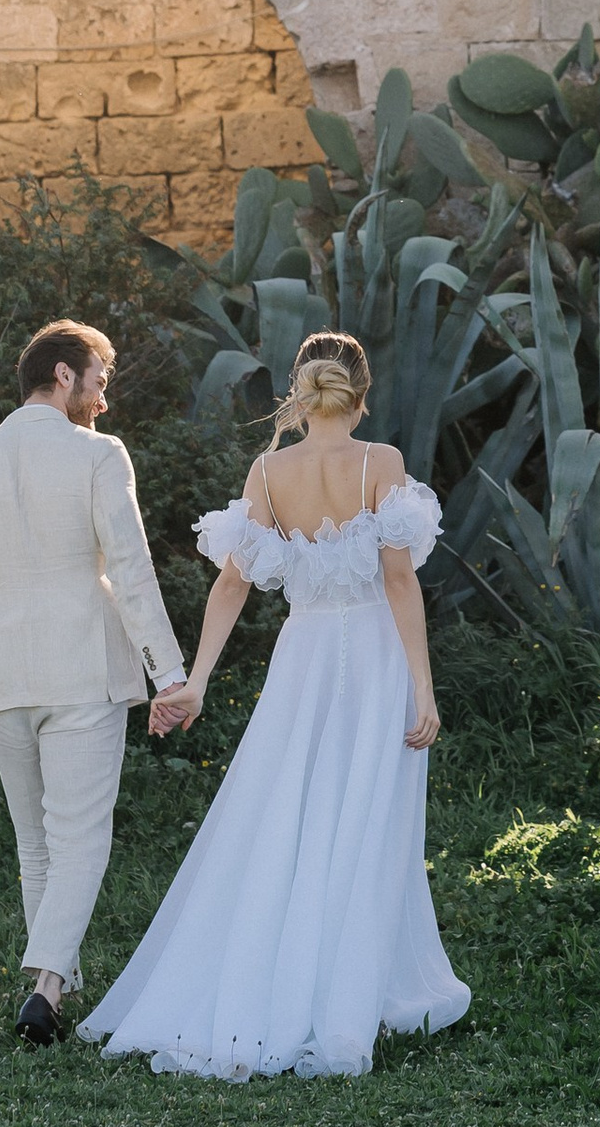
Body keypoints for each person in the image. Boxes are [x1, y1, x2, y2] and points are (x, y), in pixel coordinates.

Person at [77, 329, 471, 1079]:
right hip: (377, 662)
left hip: (304, 662)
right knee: (364, 823)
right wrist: (425, 687)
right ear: (360, 392)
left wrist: (197, 677)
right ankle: (341, 1000)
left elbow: (231, 584)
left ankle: (320, 985)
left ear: (299, 388)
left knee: (288, 816)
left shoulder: (268, 470)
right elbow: (398, 583)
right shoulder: (379, 463)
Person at [0, 319, 189, 1046]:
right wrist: (171, 676)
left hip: (2, 677)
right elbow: (130, 570)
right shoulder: (99, 457)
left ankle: (51, 993)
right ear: (63, 376)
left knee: (35, 844)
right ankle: (46, 983)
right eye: (98, 379)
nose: (103, 397)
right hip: (82, 672)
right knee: (80, 839)